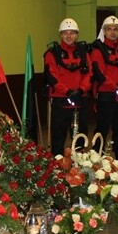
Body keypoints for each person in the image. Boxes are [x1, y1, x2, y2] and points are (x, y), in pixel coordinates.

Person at [89, 15, 118, 164]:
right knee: (102, 128)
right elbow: (99, 74)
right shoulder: (97, 50)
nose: (113, 32)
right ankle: (96, 158)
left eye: (116, 29)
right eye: (109, 29)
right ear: (104, 31)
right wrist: (115, 87)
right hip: (106, 94)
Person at [44, 18, 91, 156]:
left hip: (80, 97)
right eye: (65, 33)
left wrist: (81, 90)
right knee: (58, 135)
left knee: (80, 134)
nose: (69, 36)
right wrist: (68, 91)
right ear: (60, 34)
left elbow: (89, 74)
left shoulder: (84, 53)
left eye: (72, 33)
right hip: (61, 99)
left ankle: (80, 163)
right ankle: (57, 163)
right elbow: (52, 77)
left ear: (77, 34)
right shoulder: (52, 53)